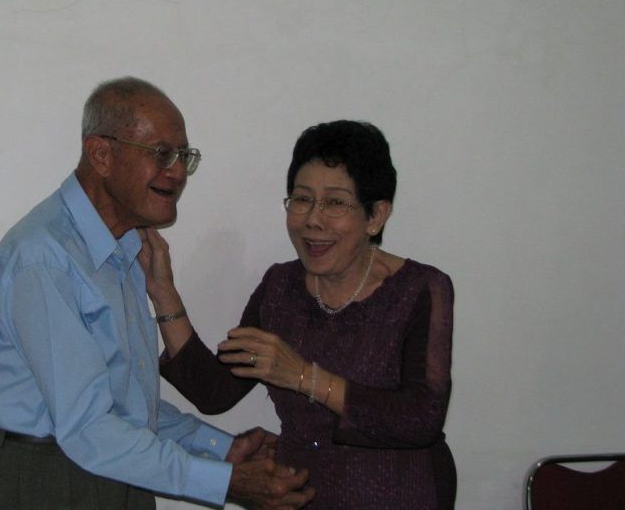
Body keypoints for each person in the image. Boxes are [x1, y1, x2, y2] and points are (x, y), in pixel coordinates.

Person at [0, 76, 315, 510]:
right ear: (101, 155)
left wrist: (220, 448)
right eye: (162, 154)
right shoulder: (44, 257)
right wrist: (224, 482)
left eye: (184, 156)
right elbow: (89, 428)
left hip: (112, 473)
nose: (179, 172)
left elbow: (121, 408)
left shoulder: (126, 248)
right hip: (41, 483)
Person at [141, 120, 456, 509]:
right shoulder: (281, 288)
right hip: (301, 496)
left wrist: (304, 376)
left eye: (336, 202)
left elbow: (420, 420)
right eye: (302, 199)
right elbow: (214, 391)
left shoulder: (420, 289)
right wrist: (163, 291)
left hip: (399, 493)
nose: (313, 219)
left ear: (376, 215)